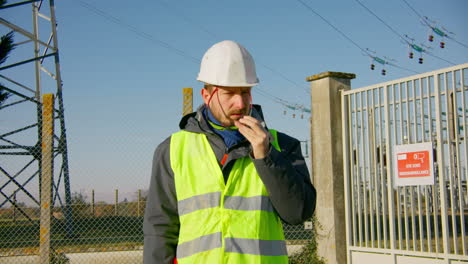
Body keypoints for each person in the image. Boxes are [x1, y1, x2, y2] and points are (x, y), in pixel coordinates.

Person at [143, 40, 316, 264]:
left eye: (245, 91)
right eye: (229, 93)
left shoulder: (282, 145)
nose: (240, 102)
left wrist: (267, 156)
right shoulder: (172, 150)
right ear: (207, 96)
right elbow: (160, 228)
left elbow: (298, 213)